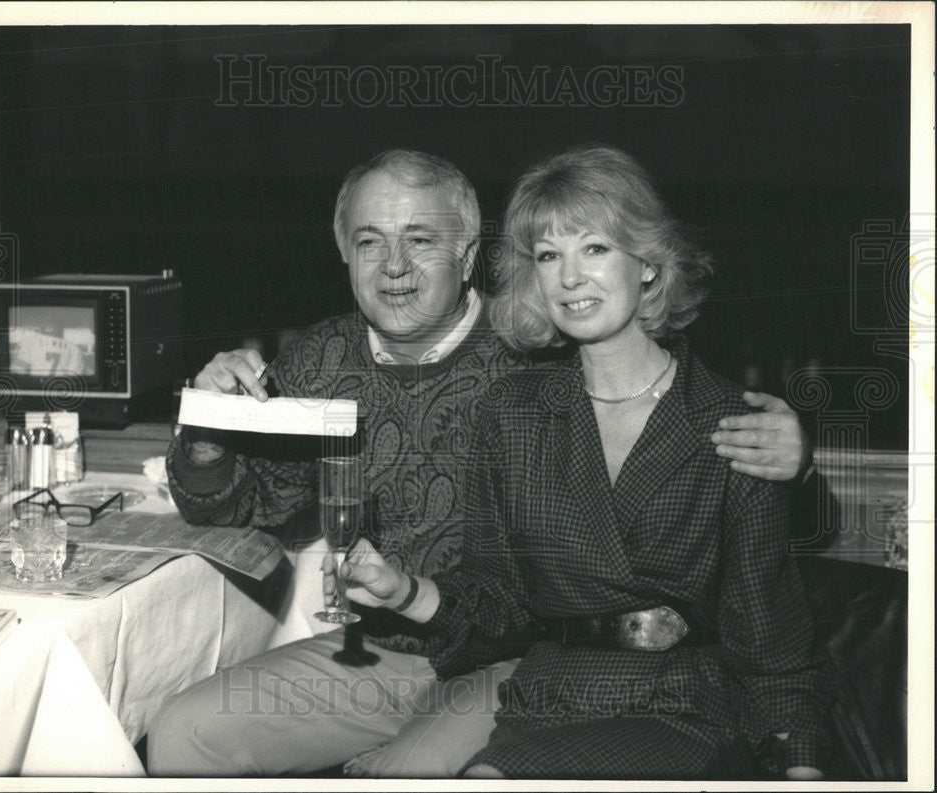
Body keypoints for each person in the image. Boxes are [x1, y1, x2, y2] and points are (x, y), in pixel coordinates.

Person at [147, 149, 813, 776]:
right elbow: (238, 504)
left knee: (410, 770)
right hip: (383, 647)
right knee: (183, 734)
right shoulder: (320, 361)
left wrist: (803, 468)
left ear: (468, 256)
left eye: (421, 239)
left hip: (515, 657)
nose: (394, 267)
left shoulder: (540, 346)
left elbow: (705, 481)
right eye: (370, 241)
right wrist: (210, 427)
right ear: (343, 252)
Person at [337, 144, 831, 779]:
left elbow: (770, 631)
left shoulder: (731, 422)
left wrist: (803, 765)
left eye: (594, 248)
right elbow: (500, 606)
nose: (570, 278)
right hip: (548, 699)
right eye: (549, 256)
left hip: (682, 706)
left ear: (648, 265)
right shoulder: (510, 414)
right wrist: (402, 591)